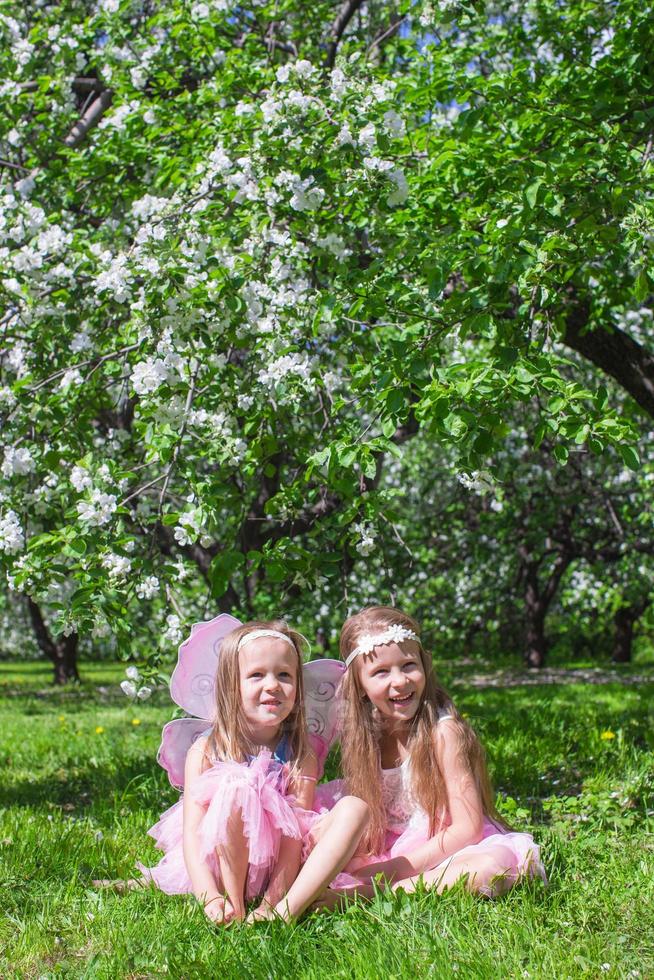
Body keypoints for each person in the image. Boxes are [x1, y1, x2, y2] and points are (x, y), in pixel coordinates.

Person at [139, 619, 368, 924]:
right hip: (224, 861)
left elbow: (292, 837)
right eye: (256, 675)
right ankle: (233, 906)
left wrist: (272, 901)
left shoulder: (301, 754)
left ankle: (281, 911)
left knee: (355, 807)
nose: (272, 685)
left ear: (298, 688)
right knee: (238, 787)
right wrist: (210, 897)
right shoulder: (207, 751)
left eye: (284, 675)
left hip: (283, 865)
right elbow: (194, 836)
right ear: (232, 687)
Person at [313, 605, 545, 903]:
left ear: (424, 665)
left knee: (489, 869)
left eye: (408, 665)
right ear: (359, 685)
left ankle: (370, 896)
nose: (399, 681)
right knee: (316, 830)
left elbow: (467, 829)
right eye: (381, 672)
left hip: (445, 847)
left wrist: (392, 870)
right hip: (390, 844)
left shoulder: (443, 732)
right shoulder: (367, 735)